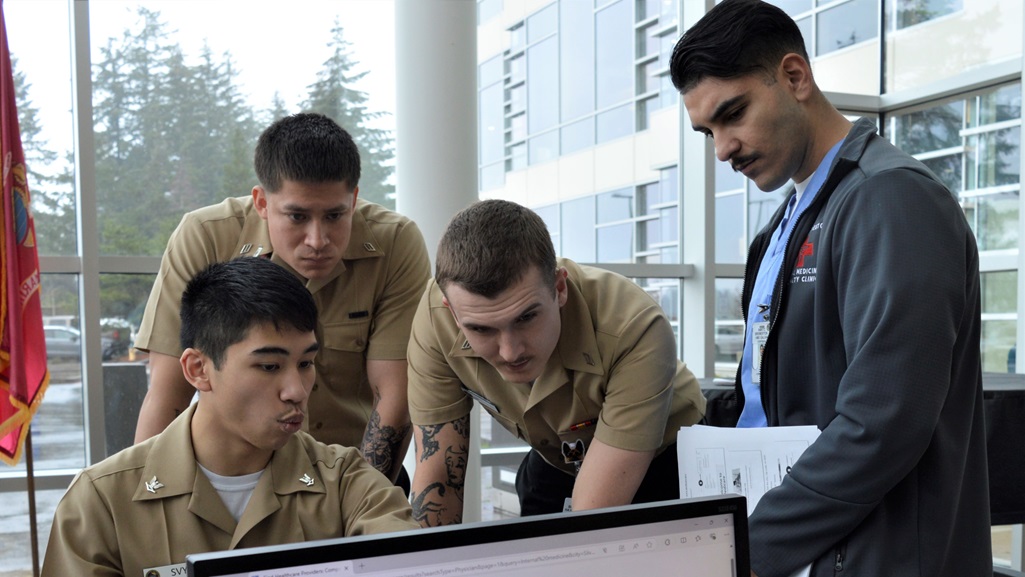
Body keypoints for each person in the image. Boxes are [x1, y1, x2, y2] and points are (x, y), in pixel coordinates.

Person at [670, 1, 992, 576]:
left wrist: (745, 549)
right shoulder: (780, 230)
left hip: (875, 557)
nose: (723, 148)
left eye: (734, 113)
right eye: (708, 131)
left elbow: (884, 422)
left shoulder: (892, 200)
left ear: (795, 77)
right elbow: (770, 404)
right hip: (809, 549)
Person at [42, 258, 419, 577]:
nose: (297, 390)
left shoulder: (347, 483)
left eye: (306, 363)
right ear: (198, 369)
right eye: (269, 366)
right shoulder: (102, 502)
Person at [133, 113, 430, 491]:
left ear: (354, 200)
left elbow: (394, 396)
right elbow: (168, 391)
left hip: (357, 475)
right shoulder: (206, 237)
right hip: (229, 479)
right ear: (261, 202)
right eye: (297, 216)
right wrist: (147, 498)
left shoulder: (396, 243)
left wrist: (357, 503)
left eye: (335, 215)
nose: (317, 239)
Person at [406, 199, 706, 526]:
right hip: (555, 458)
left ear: (559, 287)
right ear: (452, 311)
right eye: (481, 329)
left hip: (667, 460)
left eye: (527, 318)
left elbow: (593, 516)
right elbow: (439, 479)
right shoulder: (437, 319)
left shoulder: (633, 325)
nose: (510, 352)